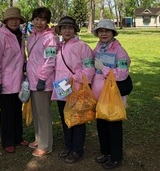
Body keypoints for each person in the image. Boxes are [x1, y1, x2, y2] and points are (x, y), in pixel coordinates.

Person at [51, 16, 95, 164]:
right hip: (61, 88)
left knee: (77, 120)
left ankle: (77, 150)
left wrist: (75, 78)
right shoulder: (60, 46)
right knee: (65, 119)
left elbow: (89, 68)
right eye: (64, 28)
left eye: (70, 28)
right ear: (60, 30)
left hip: (76, 89)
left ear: (75, 29)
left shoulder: (83, 47)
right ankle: (68, 146)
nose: (67, 30)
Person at [91, 19, 131, 169]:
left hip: (113, 96)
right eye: (101, 31)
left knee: (113, 126)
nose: (104, 33)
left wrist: (105, 69)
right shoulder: (98, 48)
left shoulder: (119, 51)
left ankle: (115, 157)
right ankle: (105, 153)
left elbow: (122, 74)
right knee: (101, 124)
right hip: (99, 95)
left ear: (112, 33)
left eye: (107, 31)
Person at [0, 7, 29, 153]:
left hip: (18, 81)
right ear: (6, 21)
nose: (14, 21)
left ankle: (18, 137)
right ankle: (7, 140)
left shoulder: (20, 36)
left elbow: (22, 56)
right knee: (7, 113)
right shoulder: (0, 38)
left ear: (20, 21)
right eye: (11, 19)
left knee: (17, 111)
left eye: (16, 19)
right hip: (5, 83)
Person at [26, 7, 58, 157]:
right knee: (37, 112)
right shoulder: (32, 35)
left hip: (43, 81)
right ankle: (39, 139)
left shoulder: (50, 38)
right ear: (32, 20)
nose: (39, 22)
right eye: (36, 19)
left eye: (43, 19)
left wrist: (42, 79)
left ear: (47, 21)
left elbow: (50, 61)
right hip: (32, 79)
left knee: (44, 114)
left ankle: (46, 145)